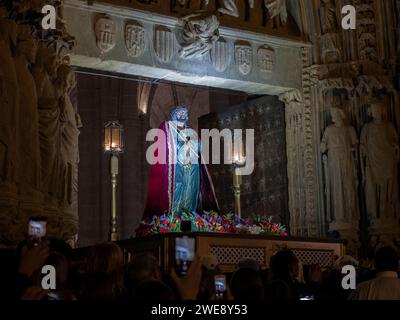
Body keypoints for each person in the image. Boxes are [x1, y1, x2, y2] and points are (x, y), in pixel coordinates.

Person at [144, 106, 218, 217]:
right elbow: (164, 146)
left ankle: (189, 214)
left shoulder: (191, 131)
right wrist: (184, 145)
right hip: (176, 167)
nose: (183, 114)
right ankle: (175, 217)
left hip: (192, 167)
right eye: (180, 112)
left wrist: (193, 144)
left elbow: (198, 146)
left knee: (191, 190)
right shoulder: (168, 128)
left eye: (185, 113)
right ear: (173, 114)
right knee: (178, 190)